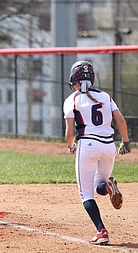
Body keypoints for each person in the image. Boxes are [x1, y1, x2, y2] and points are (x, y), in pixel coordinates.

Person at [63, 60, 131, 245]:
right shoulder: (105, 96)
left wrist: (71, 145)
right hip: (108, 145)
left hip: (87, 145)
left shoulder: (72, 99)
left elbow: (70, 132)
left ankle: (101, 230)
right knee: (99, 184)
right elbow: (121, 120)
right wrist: (125, 141)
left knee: (86, 193)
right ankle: (108, 187)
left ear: (74, 79)